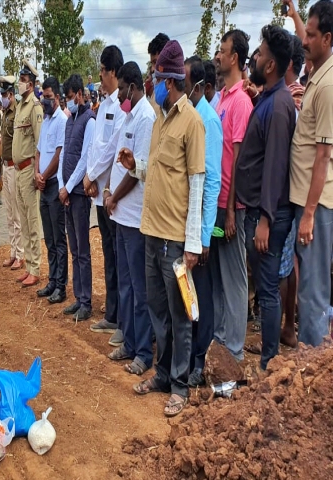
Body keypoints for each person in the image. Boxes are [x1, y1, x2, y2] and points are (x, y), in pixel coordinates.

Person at [123, 40, 205, 417]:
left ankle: (180, 385)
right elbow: (156, 173)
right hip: (151, 231)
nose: (153, 83)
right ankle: (162, 374)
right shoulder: (159, 117)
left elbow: (197, 185)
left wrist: (192, 245)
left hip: (175, 239)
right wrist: (133, 166)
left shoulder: (192, 122)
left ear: (169, 82)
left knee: (179, 313)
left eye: (157, 77)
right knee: (158, 309)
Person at [234, 25, 296, 370]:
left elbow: (274, 167)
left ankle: (270, 362)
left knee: (269, 289)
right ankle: (269, 351)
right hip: (260, 211)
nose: (254, 58)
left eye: (258, 54)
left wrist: (266, 222)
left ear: (269, 65)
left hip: (266, 214)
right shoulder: (270, 100)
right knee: (267, 284)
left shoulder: (281, 106)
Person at [104, 61, 157, 372]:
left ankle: (143, 353)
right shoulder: (128, 115)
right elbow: (119, 160)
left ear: (133, 87)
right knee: (125, 283)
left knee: (139, 288)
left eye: (122, 88)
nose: (120, 93)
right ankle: (129, 341)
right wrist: (110, 192)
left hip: (135, 214)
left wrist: (114, 197)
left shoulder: (147, 119)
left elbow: (138, 171)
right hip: (121, 213)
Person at [290, 0, 333, 347]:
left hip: (316, 207)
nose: (305, 40)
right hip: (308, 202)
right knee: (306, 287)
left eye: (312, 35)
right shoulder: (318, 76)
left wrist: (308, 213)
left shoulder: (329, 85)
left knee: (313, 291)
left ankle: (310, 375)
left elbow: (323, 156)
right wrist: (294, 14)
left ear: (328, 39)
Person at [182, 56, 223, 386]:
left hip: (202, 226)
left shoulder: (207, 120)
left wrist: (205, 235)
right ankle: (190, 353)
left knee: (203, 296)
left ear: (200, 85)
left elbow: (211, 181)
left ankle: (199, 359)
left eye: (185, 81)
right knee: (190, 293)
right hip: (187, 221)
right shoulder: (191, 116)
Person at [213, 29, 253, 361]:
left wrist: (228, 211)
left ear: (234, 57)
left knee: (235, 278)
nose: (218, 55)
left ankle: (236, 353)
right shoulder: (223, 98)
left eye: (223, 50)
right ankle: (221, 340)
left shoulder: (240, 101)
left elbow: (238, 160)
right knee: (219, 277)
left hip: (231, 208)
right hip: (217, 205)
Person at [84, 45, 126, 341]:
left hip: (112, 191)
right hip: (98, 190)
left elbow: (112, 152)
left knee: (117, 256)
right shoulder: (102, 106)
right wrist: (89, 177)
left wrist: (93, 176)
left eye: (102, 70)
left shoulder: (121, 107)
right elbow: (96, 147)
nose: (100, 75)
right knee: (108, 256)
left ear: (113, 72)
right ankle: (111, 313)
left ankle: (120, 315)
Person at [58, 73, 96, 319]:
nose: (69, 102)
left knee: (83, 249)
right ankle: (78, 296)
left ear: (81, 95)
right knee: (73, 247)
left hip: (79, 194)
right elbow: (64, 156)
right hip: (67, 193)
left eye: (72, 98)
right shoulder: (70, 120)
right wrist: (62, 185)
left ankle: (86, 301)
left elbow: (86, 159)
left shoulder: (89, 121)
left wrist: (68, 188)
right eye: (67, 98)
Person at [35, 76, 69, 304]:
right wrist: (37, 174)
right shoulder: (46, 120)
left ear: (57, 97)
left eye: (48, 97)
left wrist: (44, 176)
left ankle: (61, 285)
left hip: (54, 184)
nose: (45, 101)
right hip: (43, 185)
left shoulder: (61, 121)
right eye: (43, 97)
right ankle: (51, 280)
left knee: (58, 239)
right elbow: (39, 150)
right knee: (48, 237)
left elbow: (59, 154)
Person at [12, 60, 44, 286]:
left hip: (29, 169)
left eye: (23, 81)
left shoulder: (34, 107)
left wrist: (37, 171)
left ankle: (36, 267)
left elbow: (39, 141)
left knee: (32, 221)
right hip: (17, 169)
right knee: (23, 219)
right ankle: (28, 263)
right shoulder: (20, 105)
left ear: (31, 85)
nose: (19, 84)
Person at [0, 75, 25, 270]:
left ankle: (21, 254)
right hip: (5, 166)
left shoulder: (17, 112)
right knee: (9, 213)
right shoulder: (5, 113)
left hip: (14, 167)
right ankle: (13, 251)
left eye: (4, 94)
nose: (2, 98)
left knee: (17, 213)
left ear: (10, 94)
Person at [147, 33, 171, 111]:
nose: (153, 69)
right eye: (152, 63)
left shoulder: (181, 100)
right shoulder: (155, 95)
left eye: (156, 62)